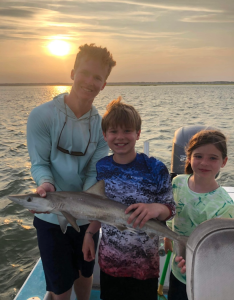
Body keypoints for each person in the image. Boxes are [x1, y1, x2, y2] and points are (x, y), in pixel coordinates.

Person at [27, 43, 116, 300]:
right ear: (72, 72)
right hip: (50, 217)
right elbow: (40, 162)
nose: (89, 81)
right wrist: (45, 183)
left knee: (85, 273)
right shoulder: (42, 116)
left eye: (97, 77)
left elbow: (94, 171)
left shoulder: (102, 127)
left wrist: (88, 219)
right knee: (60, 285)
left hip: (87, 215)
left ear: (104, 84)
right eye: (85, 73)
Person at [82, 97, 176, 300]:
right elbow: (99, 209)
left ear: (138, 133)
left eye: (127, 131)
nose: (120, 137)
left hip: (145, 266)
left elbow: (170, 208)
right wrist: (89, 234)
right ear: (104, 135)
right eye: (114, 131)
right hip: (110, 263)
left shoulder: (155, 168)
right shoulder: (102, 168)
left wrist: (155, 209)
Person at [164, 129, 234, 300]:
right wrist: (167, 237)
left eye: (213, 158)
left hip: (205, 281)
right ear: (188, 158)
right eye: (198, 156)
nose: (204, 163)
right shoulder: (177, 183)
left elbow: (222, 252)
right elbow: (173, 216)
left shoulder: (225, 206)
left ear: (223, 162)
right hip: (177, 272)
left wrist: (198, 266)